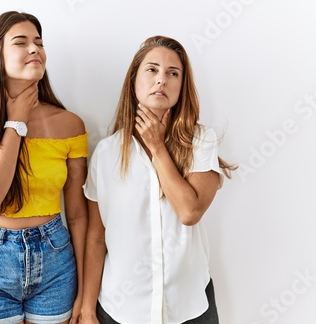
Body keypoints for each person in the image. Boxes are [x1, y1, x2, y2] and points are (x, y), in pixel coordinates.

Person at [80, 35, 236, 324]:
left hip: (189, 309)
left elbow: (189, 212)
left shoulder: (201, 141)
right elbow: (96, 236)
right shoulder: (106, 153)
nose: (161, 80)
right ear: (133, 81)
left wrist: (157, 147)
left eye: (172, 73)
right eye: (152, 70)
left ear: (181, 86)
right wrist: (87, 308)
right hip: (121, 310)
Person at [0, 11, 88, 324]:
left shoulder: (69, 124)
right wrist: (16, 124)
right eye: (21, 42)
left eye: (39, 42)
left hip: (56, 260)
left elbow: (78, 215)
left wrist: (84, 295)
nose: (34, 49)